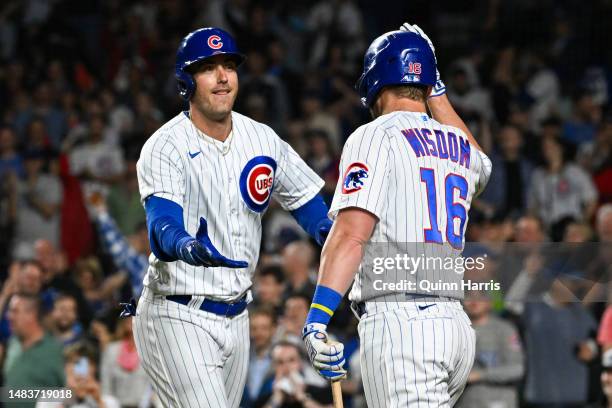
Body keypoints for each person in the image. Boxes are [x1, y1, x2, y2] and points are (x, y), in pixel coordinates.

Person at [133, 27, 332, 408]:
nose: (223, 77)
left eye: (229, 66)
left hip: (238, 313)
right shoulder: (165, 145)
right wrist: (187, 245)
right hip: (178, 311)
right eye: (208, 68)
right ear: (186, 82)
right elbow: (161, 224)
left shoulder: (262, 139)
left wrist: (331, 233)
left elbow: (307, 202)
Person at [301, 24, 492, 407]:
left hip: (402, 325)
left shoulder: (375, 134)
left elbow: (351, 235)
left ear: (374, 80)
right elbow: (483, 165)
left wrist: (317, 319)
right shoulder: (458, 144)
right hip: (455, 327)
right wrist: (436, 93)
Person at [457, 292, 524, 408]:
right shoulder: (456, 330)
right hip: (465, 402)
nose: (474, 301)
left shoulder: (505, 330)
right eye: (469, 296)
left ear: (490, 302)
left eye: (480, 297)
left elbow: (517, 369)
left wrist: (479, 375)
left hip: (499, 401)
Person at [3, 293, 65, 405]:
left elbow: (72, 393)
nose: (8, 316)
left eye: (15, 311)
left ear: (31, 315)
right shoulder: (12, 345)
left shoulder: (55, 351)